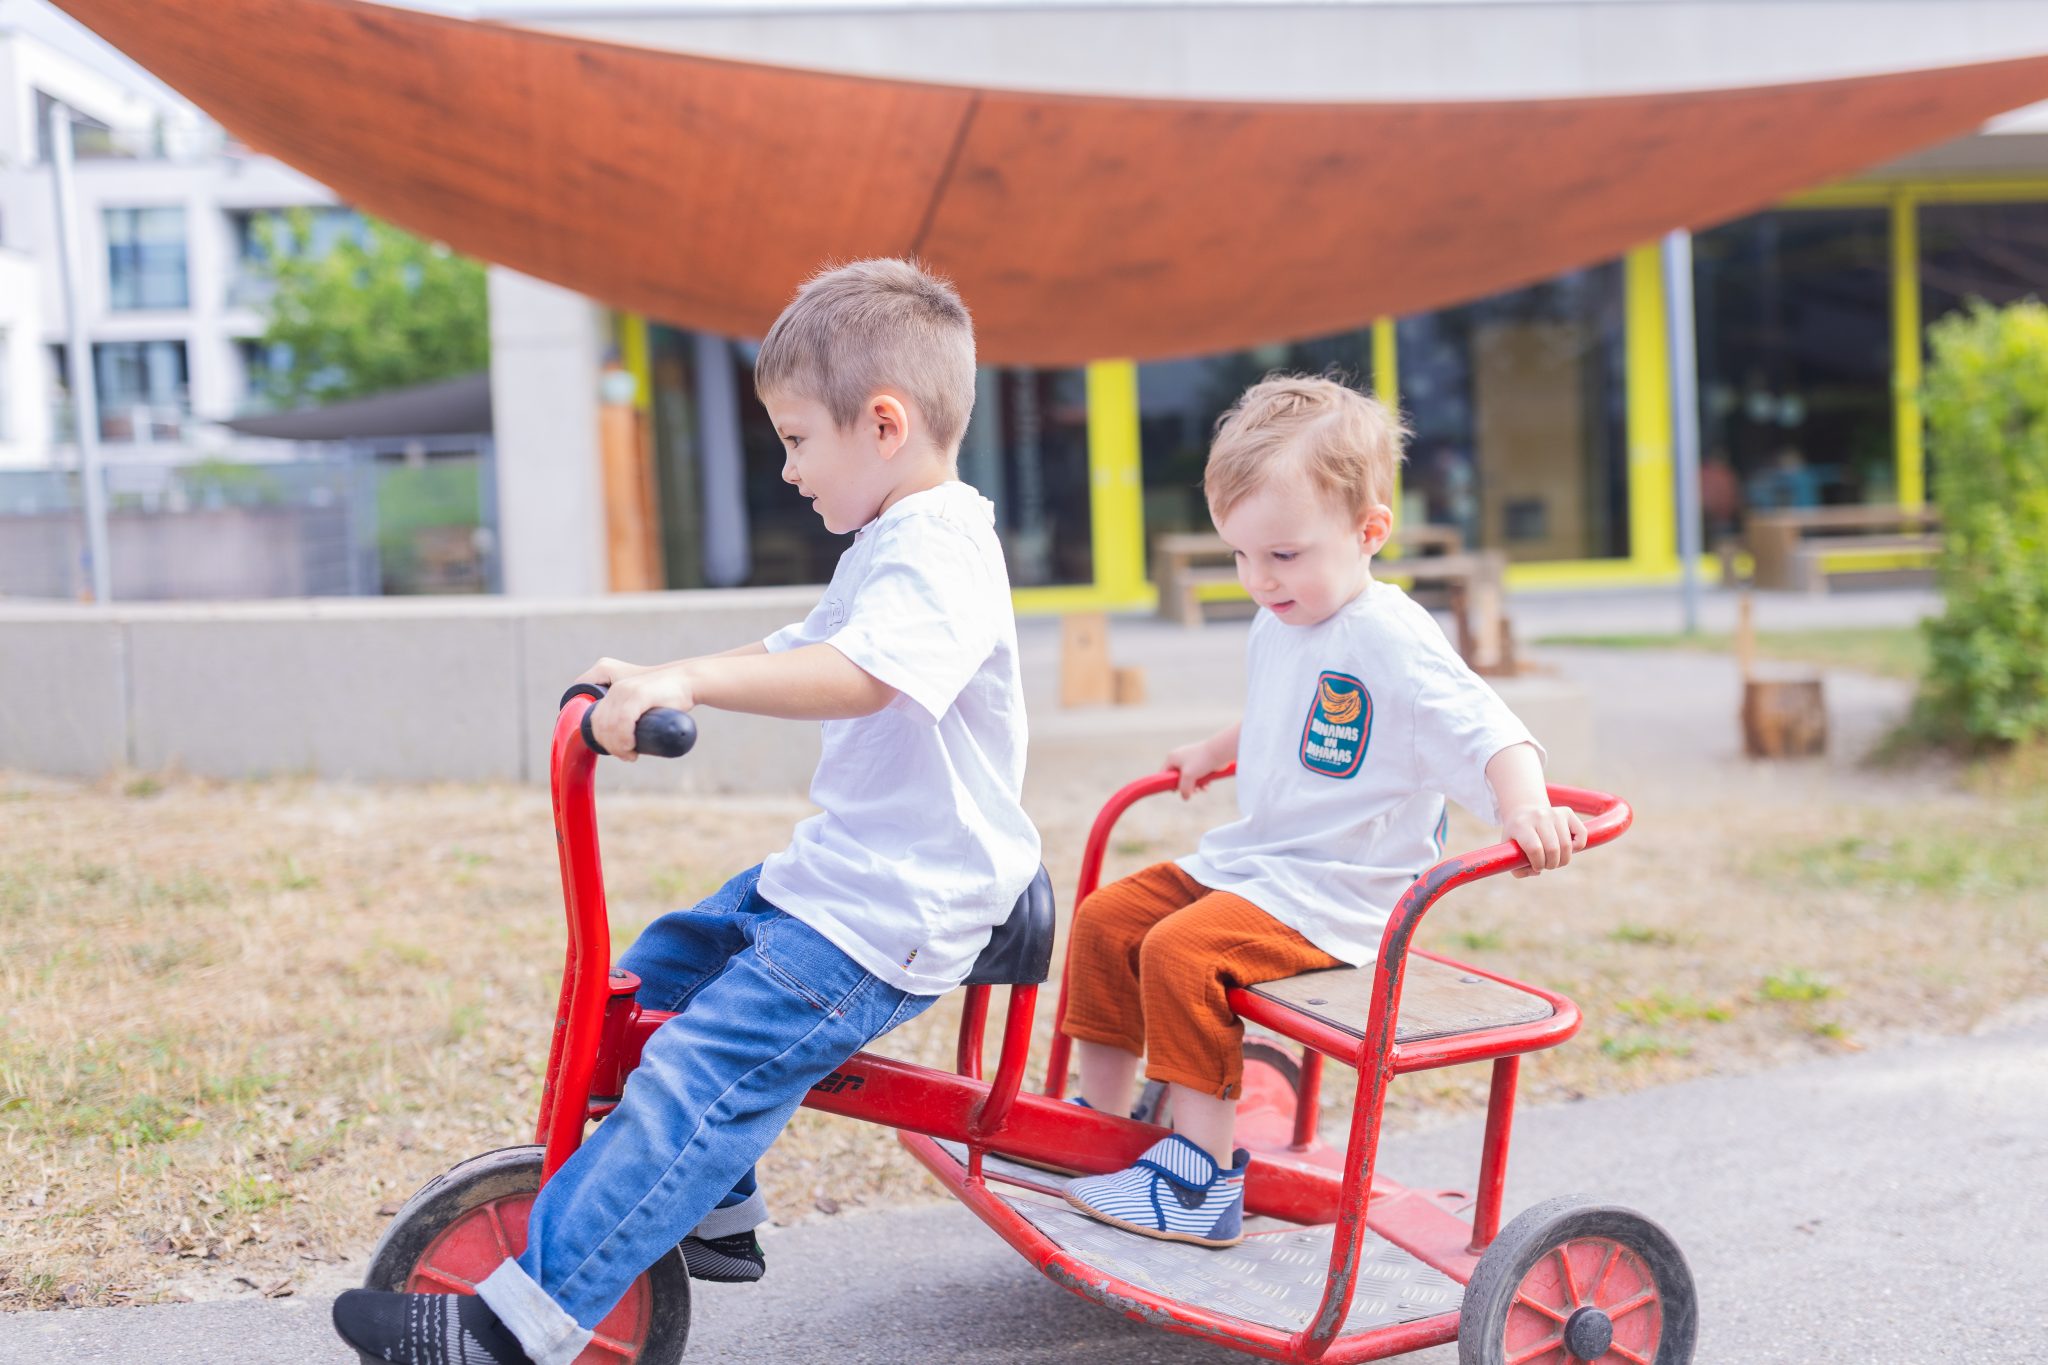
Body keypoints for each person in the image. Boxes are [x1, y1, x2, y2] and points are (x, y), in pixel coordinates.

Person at [332, 259, 1040, 1365]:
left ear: (883, 424)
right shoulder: (893, 540)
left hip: (892, 913)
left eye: (797, 439)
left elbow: (862, 676)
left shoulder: (939, 548)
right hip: (843, 878)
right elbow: (804, 645)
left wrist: (694, 686)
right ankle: (713, 1206)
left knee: (693, 1074)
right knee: (659, 970)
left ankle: (523, 1326)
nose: (786, 467)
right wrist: (664, 672)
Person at [1059, 376, 1584, 1247]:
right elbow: (1282, 708)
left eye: (1282, 554)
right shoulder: (1285, 615)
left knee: (1181, 952)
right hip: (1263, 866)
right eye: (1240, 555)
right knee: (1108, 919)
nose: (1258, 578)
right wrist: (1215, 747)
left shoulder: (1391, 636)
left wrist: (1526, 805)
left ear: (1369, 531)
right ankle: (1097, 1125)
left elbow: (1491, 728)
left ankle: (1197, 1181)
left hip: (1339, 893)